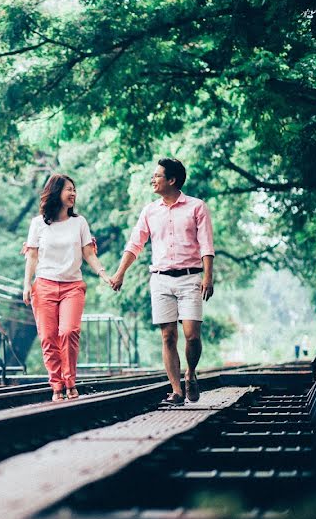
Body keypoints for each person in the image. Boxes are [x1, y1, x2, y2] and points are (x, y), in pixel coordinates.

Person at [109, 158, 215, 406]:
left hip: (190, 277)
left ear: (172, 180)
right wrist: (120, 272)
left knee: (191, 336)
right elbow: (135, 243)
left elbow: (206, 244)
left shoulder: (196, 207)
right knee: (168, 336)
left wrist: (208, 276)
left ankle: (190, 372)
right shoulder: (149, 211)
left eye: (157, 176)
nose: (152, 179)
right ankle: (177, 391)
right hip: (160, 279)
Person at [23, 174, 112, 402]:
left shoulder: (79, 222)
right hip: (44, 286)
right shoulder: (38, 224)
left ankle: (70, 380)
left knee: (69, 331)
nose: (72, 194)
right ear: (55, 192)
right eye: (68, 189)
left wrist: (103, 274)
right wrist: (26, 285)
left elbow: (88, 253)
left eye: (74, 189)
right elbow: (32, 256)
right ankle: (57, 386)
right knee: (48, 338)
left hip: (73, 286)